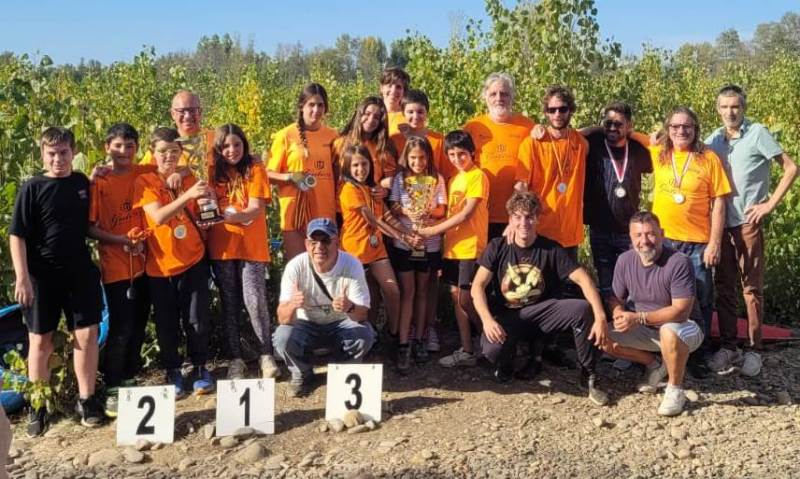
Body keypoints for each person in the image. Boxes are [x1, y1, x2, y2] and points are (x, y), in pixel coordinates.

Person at [471, 191, 610, 406]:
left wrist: (601, 317)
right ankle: (506, 362)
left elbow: (585, 280)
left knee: (582, 309)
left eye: (529, 217)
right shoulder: (497, 246)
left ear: (537, 219)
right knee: (492, 350)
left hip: (543, 314)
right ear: (510, 219)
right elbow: (477, 287)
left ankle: (588, 374)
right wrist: (487, 320)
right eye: (517, 217)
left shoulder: (550, 248)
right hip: (509, 315)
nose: (523, 222)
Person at [10, 127, 105, 436]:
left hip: (78, 272)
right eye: (51, 154)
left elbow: (94, 208)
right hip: (41, 277)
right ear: (42, 155)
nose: (58, 159)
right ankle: (38, 405)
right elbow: (17, 236)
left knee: (87, 335)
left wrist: (99, 172)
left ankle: (86, 400)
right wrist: (22, 277)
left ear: (71, 153)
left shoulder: (81, 183)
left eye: (63, 153)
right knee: (40, 341)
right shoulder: (32, 188)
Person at [705, 85, 798, 370]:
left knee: (751, 288)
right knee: (724, 287)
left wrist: (768, 205)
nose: (730, 112)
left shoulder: (757, 133)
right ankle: (729, 346)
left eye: (735, 106)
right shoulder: (714, 139)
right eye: (724, 107)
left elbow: (791, 168)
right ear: (718, 109)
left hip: (747, 223)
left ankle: (754, 348)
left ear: (743, 108)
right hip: (720, 224)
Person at [648, 107, 731, 377]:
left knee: (700, 298)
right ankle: (665, 350)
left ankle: (698, 352)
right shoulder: (659, 154)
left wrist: (714, 243)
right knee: (664, 297)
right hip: (665, 242)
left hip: (697, 243)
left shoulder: (708, 158)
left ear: (696, 129)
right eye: (675, 126)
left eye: (687, 126)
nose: (681, 131)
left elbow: (720, 202)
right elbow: (624, 134)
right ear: (667, 128)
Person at [133, 127, 214, 398]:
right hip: (160, 266)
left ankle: (200, 366)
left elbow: (202, 210)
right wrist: (187, 196)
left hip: (193, 258)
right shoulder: (144, 181)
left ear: (181, 153)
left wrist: (206, 203)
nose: (168, 156)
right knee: (167, 323)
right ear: (152, 153)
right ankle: (173, 370)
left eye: (174, 152)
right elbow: (157, 217)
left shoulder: (192, 176)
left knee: (197, 319)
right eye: (162, 151)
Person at [602, 212, 705, 416]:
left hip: (686, 328)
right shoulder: (624, 260)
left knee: (669, 330)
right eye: (638, 235)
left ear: (662, 234)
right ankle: (653, 364)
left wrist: (638, 318)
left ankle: (675, 389)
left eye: (650, 234)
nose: (644, 241)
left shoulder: (678, 261)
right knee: (600, 336)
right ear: (630, 238)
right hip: (645, 328)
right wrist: (618, 313)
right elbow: (615, 298)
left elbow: (680, 311)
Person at [88, 123, 153, 417]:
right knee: (121, 327)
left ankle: (129, 378)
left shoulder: (145, 172)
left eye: (129, 146)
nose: (124, 151)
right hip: (116, 265)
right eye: (118, 146)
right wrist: (121, 240)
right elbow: (89, 227)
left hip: (146, 263)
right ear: (107, 148)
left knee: (139, 323)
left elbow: (178, 155)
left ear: (137, 148)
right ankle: (112, 385)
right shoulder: (99, 182)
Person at [206, 124, 279, 380]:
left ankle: (266, 354)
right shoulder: (212, 173)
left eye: (237, 144)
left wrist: (226, 217)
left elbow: (256, 209)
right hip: (222, 247)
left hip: (251, 246)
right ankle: (236, 359)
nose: (232, 150)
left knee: (255, 300)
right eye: (225, 145)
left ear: (244, 145)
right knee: (230, 304)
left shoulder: (255, 169)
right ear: (218, 148)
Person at [273, 218, 375, 397]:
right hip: (306, 323)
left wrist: (349, 307)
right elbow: (282, 318)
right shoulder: (295, 267)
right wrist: (292, 305)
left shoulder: (352, 265)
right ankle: (302, 373)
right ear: (306, 244)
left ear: (337, 242)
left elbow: (362, 315)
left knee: (364, 335)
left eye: (326, 241)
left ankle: (341, 371)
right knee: (282, 337)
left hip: (341, 322)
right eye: (314, 242)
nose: (319, 247)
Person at [416, 131, 489, 368]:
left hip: (470, 248)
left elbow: (466, 214)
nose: (457, 158)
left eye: (462, 154)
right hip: (453, 249)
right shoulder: (454, 179)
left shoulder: (477, 176)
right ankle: (467, 349)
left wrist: (433, 231)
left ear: (472, 153)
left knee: (468, 299)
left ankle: (489, 339)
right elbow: (448, 211)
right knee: (457, 298)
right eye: (452, 154)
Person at [338, 144, 411, 353]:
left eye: (364, 164)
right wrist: (398, 236)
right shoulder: (349, 189)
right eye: (355, 165)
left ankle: (393, 335)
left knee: (393, 291)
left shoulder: (372, 188)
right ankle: (359, 341)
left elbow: (385, 215)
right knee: (359, 298)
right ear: (347, 167)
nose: (360, 169)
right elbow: (372, 218)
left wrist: (407, 233)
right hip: (354, 252)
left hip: (376, 249)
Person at [388, 136, 446, 373]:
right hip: (404, 242)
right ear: (406, 158)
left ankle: (420, 338)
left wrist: (430, 212)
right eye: (413, 157)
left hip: (428, 243)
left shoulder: (437, 179)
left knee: (423, 291)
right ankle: (404, 343)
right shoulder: (400, 179)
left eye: (422, 157)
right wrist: (407, 211)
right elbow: (391, 204)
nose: (418, 162)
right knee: (407, 293)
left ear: (428, 157)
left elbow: (443, 209)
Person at [582, 102, 652, 298]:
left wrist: (633, 134)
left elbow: (658, 144)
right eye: (608, 123)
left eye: (619, 124)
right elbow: (572, 135)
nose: (612, 128)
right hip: (599, 227)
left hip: (628, 229)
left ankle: (632, 323)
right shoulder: (594, 144)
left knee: (631, 280)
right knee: (606, 281)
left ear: (629, 125)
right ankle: (612, 324)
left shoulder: (638, 149)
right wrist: (597, 127)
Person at [515, 85, 589, 258]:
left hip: (570, 233)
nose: (557, 114)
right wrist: (517, 221)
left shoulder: (581, 143)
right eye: (552, 110)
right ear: (546, 113)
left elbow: (601, 131)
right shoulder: (532, 143)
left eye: (562, 109)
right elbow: (521, 186)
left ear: (571, 110)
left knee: (568, 285)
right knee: (538, 284)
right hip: (541, 231)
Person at [268, 83, 338, 260]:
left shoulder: (333, 136)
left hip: (325, 211)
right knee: (299, 268)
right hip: (294, 214)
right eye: (311, 105)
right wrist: (289, 177)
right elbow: (267, 173)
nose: (316, 110)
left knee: (325, 270)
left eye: (320, 105)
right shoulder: (285, 135)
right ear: (302, 107)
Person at [463, 72, 535, 239]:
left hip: (516, 216)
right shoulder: (473, 126)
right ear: (485, 97)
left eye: (504, 93)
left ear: (512, 97)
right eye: (493, 94)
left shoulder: (527, 126)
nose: (499, 98)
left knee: (511, 265)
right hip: (479, 211)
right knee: (482, 264)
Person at [334, 96, 398, 190]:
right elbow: (331, 176)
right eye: (367, 114)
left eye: (376, 117)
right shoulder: (340, 143)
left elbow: (391, 179)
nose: (371, 119)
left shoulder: (383, 148)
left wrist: (385, 190)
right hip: (346, 200)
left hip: (372, 201)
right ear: (359, 115)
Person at [140, 90, 211, 166]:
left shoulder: (215, 140)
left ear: (200, 112)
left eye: (192, 110)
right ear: (173, 114)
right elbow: (140, 172)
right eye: (182, 111)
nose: (187, 116)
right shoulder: (162, 143)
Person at [380, 67, 411, 136]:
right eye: (389, 85)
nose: (393, 91)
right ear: (381, 88)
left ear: (404, 91)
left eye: (398, 87)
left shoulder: (409, 118)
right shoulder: (372, 115)